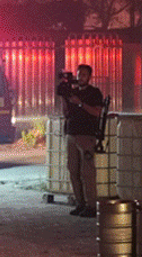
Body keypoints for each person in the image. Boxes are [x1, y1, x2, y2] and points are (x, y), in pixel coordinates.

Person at [56, 64, 103, 218]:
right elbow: (66, 113)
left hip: (86, 135)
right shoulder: (73, 92)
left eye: (84, 74)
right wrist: (64, 97)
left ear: (89, 77)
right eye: (79, 74)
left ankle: (91, 206)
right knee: (73, 171)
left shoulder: (94, 93)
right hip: (71, 134)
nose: (80, 77)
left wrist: (80, 103)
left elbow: (97, 112)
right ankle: (80, 203)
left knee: (87, 172)